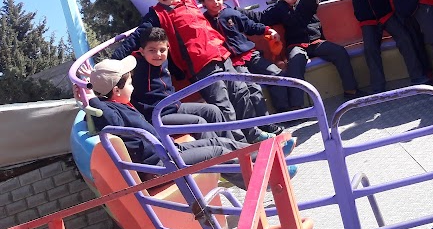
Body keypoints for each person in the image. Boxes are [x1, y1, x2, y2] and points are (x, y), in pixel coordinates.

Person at [80, 57, 296, 189]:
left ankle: (270, 158)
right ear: (116, 90)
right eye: (129, 83)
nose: (133, 87)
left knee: (221, 143)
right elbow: (107, 119)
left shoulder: (119, 103)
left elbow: (108, 104)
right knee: (218, 152)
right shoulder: (110, 110)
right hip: (158, 166)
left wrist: (95, 83)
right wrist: (92, 97)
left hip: (166, 152)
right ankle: (267, 180)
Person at [111, 0, 272, 144]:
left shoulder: (189, 2)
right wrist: (114, 60)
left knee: (241, 93)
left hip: (221, 54)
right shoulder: (156, 15)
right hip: (201, 65)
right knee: (223, 105)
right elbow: (137, 37)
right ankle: (241, 145)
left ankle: (253, 133)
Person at [246, 0, 361, 110]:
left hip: (316, 42)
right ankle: (297, 107)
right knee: (295, 64)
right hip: (296, 45)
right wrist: (236, 12)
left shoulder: (306, 1)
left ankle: (351, 90)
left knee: (340, 52)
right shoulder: (279, 8)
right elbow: (261, 17)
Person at [331, 0, 427, 93]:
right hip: (367, 22)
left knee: (404, 39)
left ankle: (417, 76)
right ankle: (378, 87)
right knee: (370, 50)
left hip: (386, 16)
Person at [196, 0, 289, 120]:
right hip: (232, 63)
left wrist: (268, 30)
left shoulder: (231, 13)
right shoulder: (204, 22)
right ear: (203, 1)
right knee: (253, 89)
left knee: (275, 74)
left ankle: (284, 111)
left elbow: (250, 26)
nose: (216, 2)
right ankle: (266, 122)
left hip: (250, 54)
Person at [131, 26, 237, 141]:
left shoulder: (164, 60)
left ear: (168, 48)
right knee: (199, 122)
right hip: (158, 116)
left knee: (212, 110)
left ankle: (232, 145)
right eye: (152, 50)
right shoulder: (136, 66)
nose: (158, 54)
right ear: (142, 51)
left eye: (162, 50)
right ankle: (220, 151)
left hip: (175, 106)